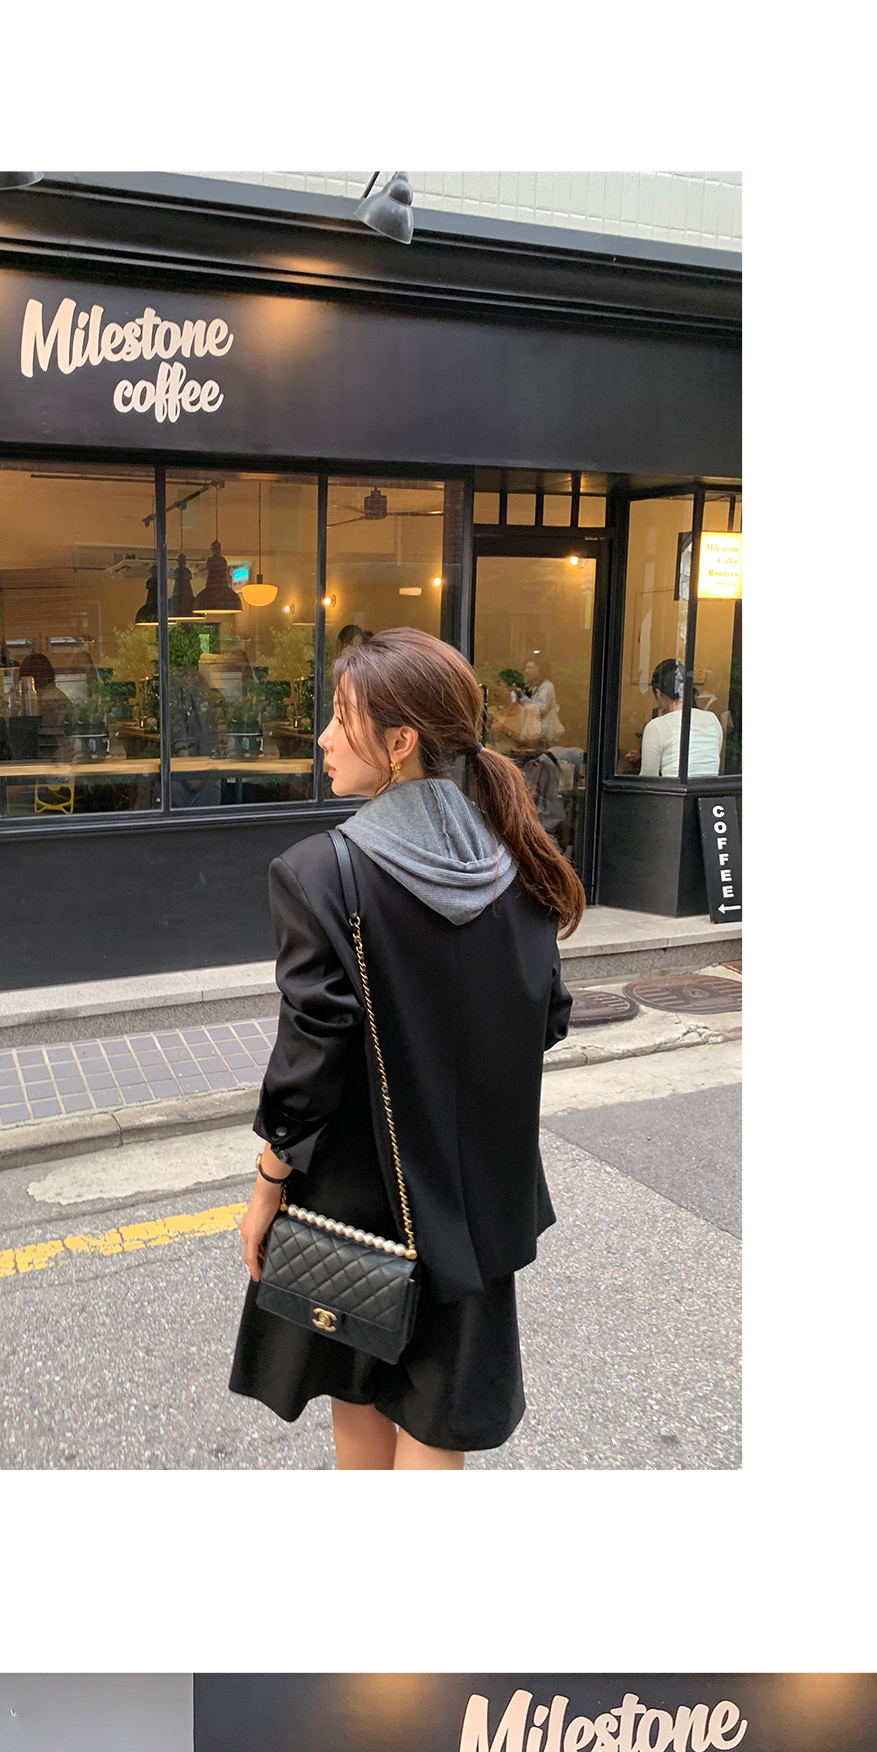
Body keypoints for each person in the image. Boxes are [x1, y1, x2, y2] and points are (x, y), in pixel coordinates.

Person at [231, 624, 583, 1470]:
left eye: (340, 717)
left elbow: (311, 1062)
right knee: (436, 1426)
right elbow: (548, 1018)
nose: (322, 738)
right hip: (475, 1206)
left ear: (399, 743)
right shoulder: (517, 859)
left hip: (354, 1203)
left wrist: (268, 1184)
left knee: (358, 1404)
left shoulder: (322, 871)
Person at [638, 659, 725, 776]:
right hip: (708, 788)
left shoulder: (656, 726)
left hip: (673, 788)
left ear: (658, 693)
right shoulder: (712, 720)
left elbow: (648, 778)